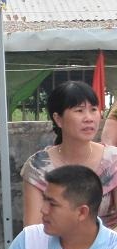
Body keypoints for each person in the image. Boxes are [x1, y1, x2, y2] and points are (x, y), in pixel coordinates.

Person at [21, 81, 117, 229]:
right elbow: (34, 230)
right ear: (58, 119)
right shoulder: (37, 167)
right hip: (54, 242)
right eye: (79, 110)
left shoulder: (113, 161)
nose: (89, 118)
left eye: (93, 109)